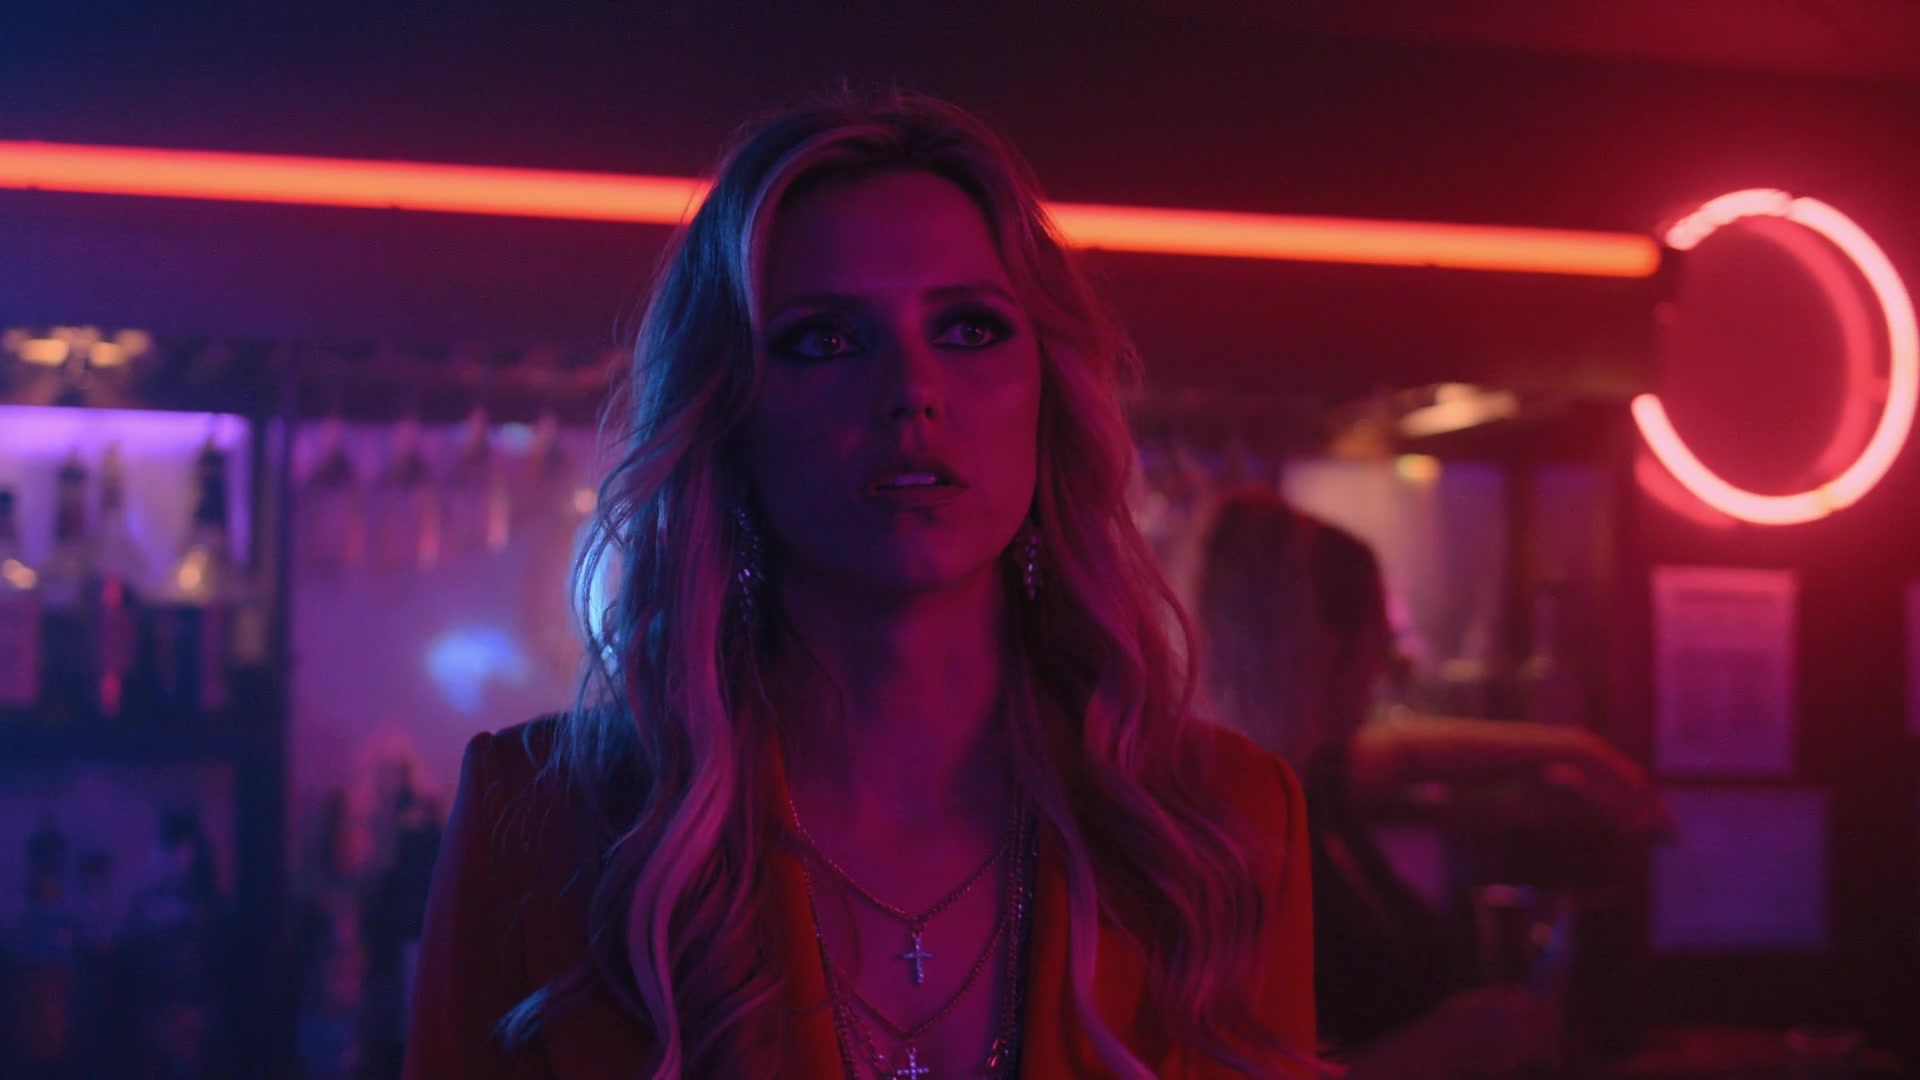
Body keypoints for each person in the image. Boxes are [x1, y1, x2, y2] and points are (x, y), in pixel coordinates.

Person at [404, 94, 1318, 1079]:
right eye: (825, 340)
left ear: (1048, 393)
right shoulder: (540, 825)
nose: (911, 390)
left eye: (969, 328)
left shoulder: (1217, 825)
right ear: (729, 414)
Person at [1193, 488, 1665, 1079]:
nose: (1383, 673)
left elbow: (1413, 752)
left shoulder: (1301, 780)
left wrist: (1575, 750)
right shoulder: (1239, 826)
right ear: (1325, 647)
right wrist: (1446, 1046)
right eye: (1380, 645)